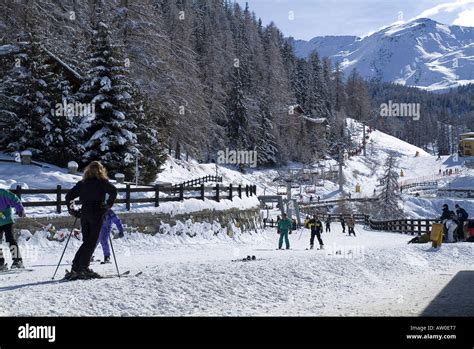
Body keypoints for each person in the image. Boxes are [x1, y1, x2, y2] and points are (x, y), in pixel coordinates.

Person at [64, 161, 117, 280]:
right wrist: (108, 205)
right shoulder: (102, 182)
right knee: (92, 241)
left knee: (87, 241)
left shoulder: (83, 183)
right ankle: (84, 268)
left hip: (85, 213)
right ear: (100, 170)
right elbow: (113, 191)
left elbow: (69, 196)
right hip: (97, 212)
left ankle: (76, 266)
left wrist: (73, 210)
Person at [0, 189, 26, 270]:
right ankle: (0, 263)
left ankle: (18, 261)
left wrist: (20, 209)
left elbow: (14, 199)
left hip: (7, 220)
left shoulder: (3, 193)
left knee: (10, 239)